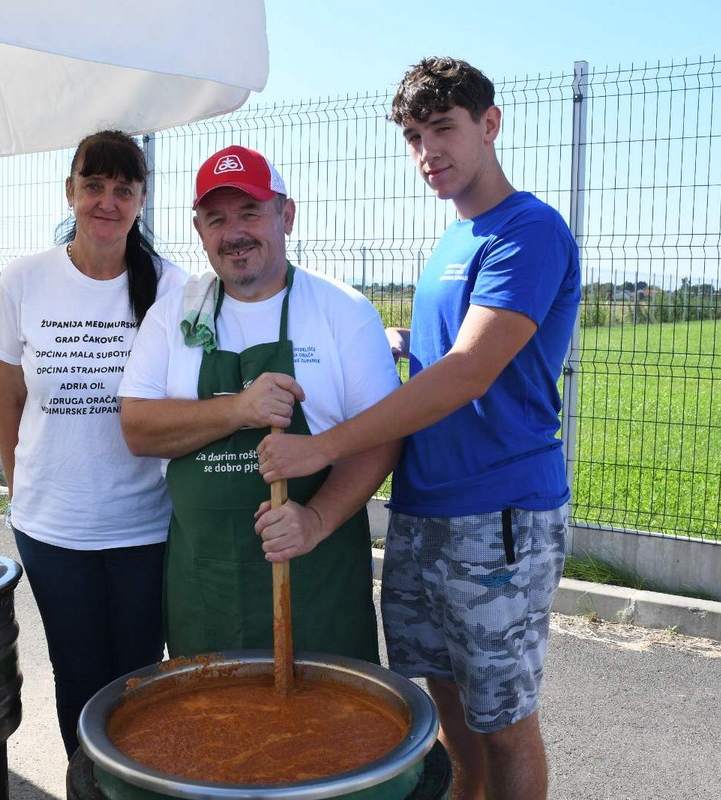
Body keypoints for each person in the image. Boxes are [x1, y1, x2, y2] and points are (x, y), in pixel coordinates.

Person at [256, 58, 581, 800]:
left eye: (443, 129)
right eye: (413, 136)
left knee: (505, 722)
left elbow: (470, 372)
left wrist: (323, 447)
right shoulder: (452, 241)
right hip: (424, 508)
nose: (427, 151)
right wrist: (402, 343)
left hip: (498, 513)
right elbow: (452, 354)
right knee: (449, 714)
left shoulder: (527, 231)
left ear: (489, 125)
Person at [117, 145, 401, 663]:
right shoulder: (172, 318)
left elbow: (383, 437)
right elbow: (137, 429)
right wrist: (238, 410)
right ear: (199, 229)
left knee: (333, 736)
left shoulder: (342, 311)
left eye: (251, 212)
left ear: (286, 215)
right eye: (217, 218)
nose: (234, 233)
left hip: (319, 588)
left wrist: (313, 520)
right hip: (206, 591)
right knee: (212, 733)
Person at [0, 130, 187, 756]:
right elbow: (8, 397)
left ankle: (132, 786)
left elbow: (182, 402)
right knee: (77, 674)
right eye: (93, 185)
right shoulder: (23, 279)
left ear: (142, 200)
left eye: (123, 189)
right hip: (53, 530)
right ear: (69, 191)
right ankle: (86, 786)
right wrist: (23, 492)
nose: (107, 201)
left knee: (135, 679)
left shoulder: (170, 286)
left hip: (144, 526)